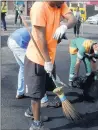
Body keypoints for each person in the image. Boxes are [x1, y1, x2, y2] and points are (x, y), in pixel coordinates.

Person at [24, 1, 76, 130]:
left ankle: (31, 111)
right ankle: (36, 125)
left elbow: (73, 19)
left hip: (50, 56)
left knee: (48, 86)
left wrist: (64, 25)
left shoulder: (59, 4)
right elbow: (40, 38)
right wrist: (47, 61)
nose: (63, 2)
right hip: (36, 57)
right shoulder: (39, 7)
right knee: (36, 93)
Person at [7, 27, 63, 108]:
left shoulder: (47, 32)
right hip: (19, 42)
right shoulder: (46, 36)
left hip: (13, 39)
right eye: (60, 39)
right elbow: (42, 56)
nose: (60, 42)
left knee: (23, 67)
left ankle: (20, 92)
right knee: (35, 69)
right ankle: (43, 101)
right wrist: (50, 70)